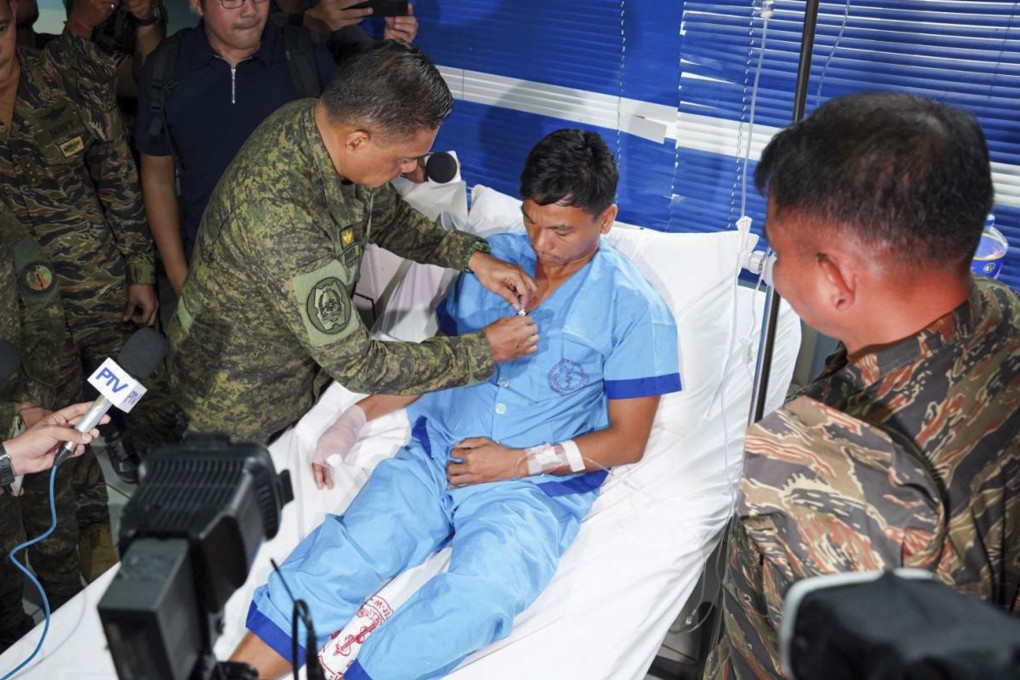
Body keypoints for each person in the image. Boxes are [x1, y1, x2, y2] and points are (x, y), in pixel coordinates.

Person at [229, 127, 682, 679]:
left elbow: (627, 440)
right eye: (531, 221)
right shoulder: (492, 262)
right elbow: (443, 360)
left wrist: (517, 463)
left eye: (561, 231)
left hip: (530, 489)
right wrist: (356, 416)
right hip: (435, 456)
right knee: (346, 554)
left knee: (478, 597)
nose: (541, 244)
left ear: (605, 220)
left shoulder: (634, 310)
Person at [705, 92, 1020, 679]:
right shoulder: (1005, 314)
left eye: (776, 250)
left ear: (835, 282)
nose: (772, 268)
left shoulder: (815, 459)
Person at [168, 40, 540, 445]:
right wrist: (482, 351)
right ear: (358, 140)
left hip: (293, 368)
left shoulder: (316, 122)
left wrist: (470, 257)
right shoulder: (283, 220)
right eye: (403, 158)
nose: (411, 169)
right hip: (240, 401)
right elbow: (359, 363)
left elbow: (389, 218)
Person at [0, 0, 179, 483]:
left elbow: (118, 180)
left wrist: (140, 273)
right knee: (54, 431)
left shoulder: (64, 77)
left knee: (140, 395)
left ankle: (163, 467)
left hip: (97, 283)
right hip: (22, 312)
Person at [135, 0, 338, 297]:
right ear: (197, 4)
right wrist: (181, 279)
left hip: (304, 276)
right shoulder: (166, 69)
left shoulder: (304, 56)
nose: (249, 11)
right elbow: (157, 180)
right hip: (213, 278)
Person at [0, 207, 115, 653]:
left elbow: (45, 313)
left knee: (54, 531)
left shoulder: (7, 227)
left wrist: (30, 403)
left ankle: (73, 623)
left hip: (37, 416)